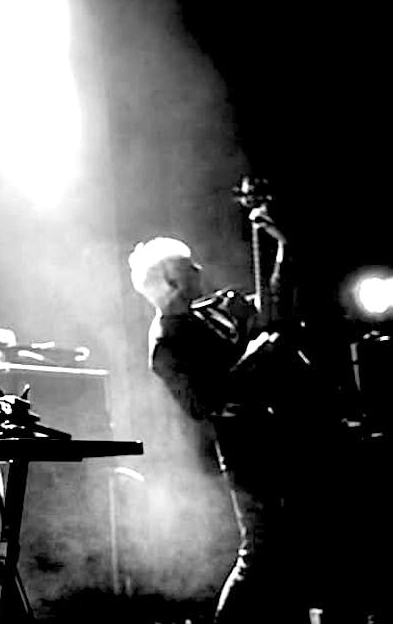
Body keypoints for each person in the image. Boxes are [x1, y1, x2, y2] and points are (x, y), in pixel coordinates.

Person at [128, 234, 327, 624]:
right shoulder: (166, 344)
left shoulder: (208, 312)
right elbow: (202, 403)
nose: (199, 269)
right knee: (260, 550)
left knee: (290, 544)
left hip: (273, 437)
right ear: (172, 282)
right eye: (189, 267)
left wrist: (283, 249)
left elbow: (271, 314)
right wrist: (254, 357)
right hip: (245, 452)